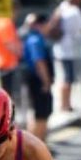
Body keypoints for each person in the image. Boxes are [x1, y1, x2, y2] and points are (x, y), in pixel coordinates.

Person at [52, 0, 81, 113]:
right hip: (70, 50)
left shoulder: (62, 7)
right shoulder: (75, 12)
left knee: (66, 77)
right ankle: (65, 104)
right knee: (68, 79)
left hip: (60, 49)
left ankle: (66, 103)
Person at [22, 13, 55, 144]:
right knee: (40, 113)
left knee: (44, 112)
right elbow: (39, 62)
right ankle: (37, 144)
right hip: (37, 80)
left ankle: (42, 142)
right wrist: (46, 81)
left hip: (39, 80)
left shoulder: (38, 38)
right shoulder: (35, 40)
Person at [0, 2, 23, 99]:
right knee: (9, 97)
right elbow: (8, 44)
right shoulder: (5, 24)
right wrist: (21, 55)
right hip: (7, 65)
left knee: (8, 95)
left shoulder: (0, 22)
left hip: (6, 64)